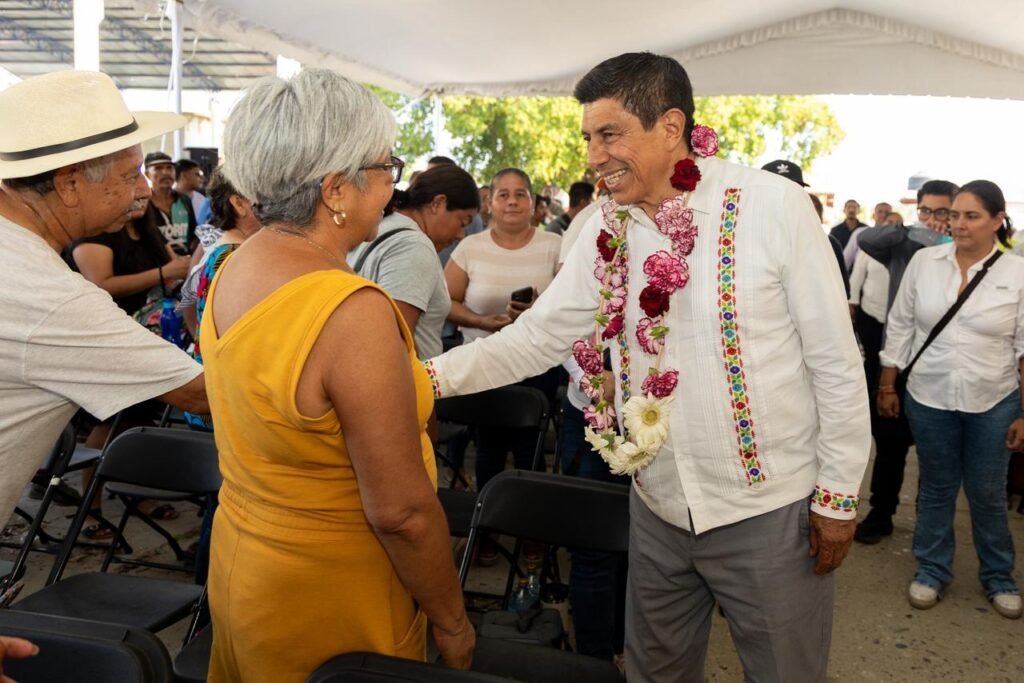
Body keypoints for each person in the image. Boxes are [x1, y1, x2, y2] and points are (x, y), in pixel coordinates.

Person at [425, 53, 869, 682]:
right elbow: (537, 338)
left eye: (609, 135)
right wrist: (427, 380)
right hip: (656, 506)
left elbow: (835, 361)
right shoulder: (607, 226)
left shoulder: (773, 208)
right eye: (587, 138)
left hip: (768, 510)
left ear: (670, 127)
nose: (593, 156)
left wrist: (837, 496)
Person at [202, 68, 473, 680]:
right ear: (336, 189)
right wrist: (452, 620)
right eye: (386, 169)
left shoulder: (236, 268)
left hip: (246, 564)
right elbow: (401, 512)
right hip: (332, 590)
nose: (391, 189)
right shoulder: (348, 310)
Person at [0, 70, 208, 531]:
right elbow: (201, 392)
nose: (141, 189)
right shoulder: (48, 294)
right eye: (129, 174)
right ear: (70, 184)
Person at [878, 180, 1024, 619]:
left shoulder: (1016, 272)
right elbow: (901, 324)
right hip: (929, 395)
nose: (958, 225)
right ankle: (932, 569)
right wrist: (887, 385)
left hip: (994, 399)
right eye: (954, 215)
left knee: (986, 492)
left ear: (998, 221)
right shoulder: (925, 262)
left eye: (972, 216)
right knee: (937, 486)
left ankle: (999, 576)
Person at [853, 180, 957, 544]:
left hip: (943, 364)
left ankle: (931, 526)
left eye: (942, 211)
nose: (933, 219)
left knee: (936, 452)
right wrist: (908, 229)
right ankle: (882, 513)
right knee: (890, 444)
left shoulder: (962, 249)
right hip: (897, 360)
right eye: (926, 210)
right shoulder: (903, 245)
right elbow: (867, 241)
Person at [350, 164, 479, 359]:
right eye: (462, 222)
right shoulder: (414, 247)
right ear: (438, 203)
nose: (461, 235)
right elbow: (395, 343)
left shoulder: (380, 225)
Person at [142, 151, 197, 255]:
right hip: (157, 266)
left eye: (169, 168)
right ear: (147, 174)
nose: (166, 172)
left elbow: (193, 235)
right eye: (158, 168)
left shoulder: (184, 200)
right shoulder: (143, 204)